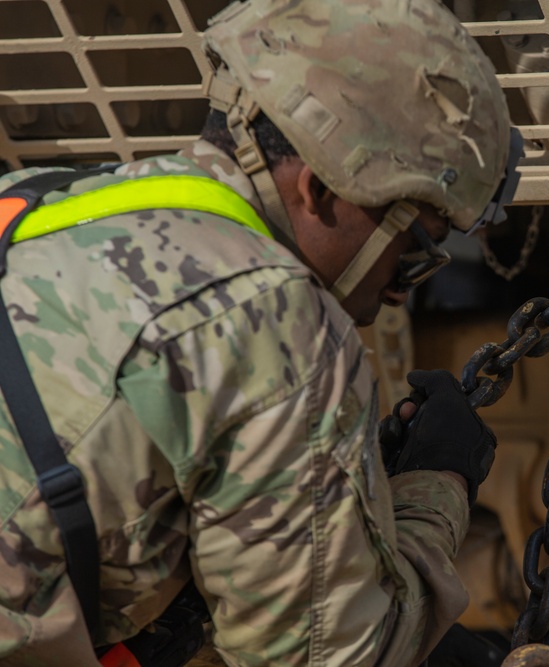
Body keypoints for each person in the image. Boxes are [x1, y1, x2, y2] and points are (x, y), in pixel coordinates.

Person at [0, 0, 517, 664]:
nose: (399, 285)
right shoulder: (275, 319)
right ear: (320, 191)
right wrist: (434, 483)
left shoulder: (34, 201)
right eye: (414, 244)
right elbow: (326, 657)